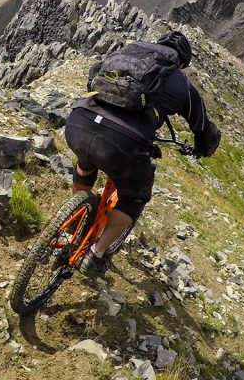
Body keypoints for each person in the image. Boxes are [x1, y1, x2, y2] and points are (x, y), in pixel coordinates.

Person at [64, 30, 221, 278]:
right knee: (134, 196)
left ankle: (75, 217)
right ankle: (95, 255)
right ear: (181, 63)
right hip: (122, 142)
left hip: (78, 122)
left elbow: (93, 76)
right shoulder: (181, 82)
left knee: (86, 161)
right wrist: (203, 148)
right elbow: (203, 127)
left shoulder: (126, 52)